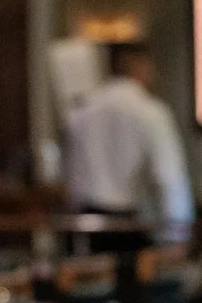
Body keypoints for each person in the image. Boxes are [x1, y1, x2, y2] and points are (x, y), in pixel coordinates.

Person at [64, 41, 194, 240]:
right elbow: (170, 176)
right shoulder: (149, 111)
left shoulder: (82, 110)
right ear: (140, 65)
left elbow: (72, 172)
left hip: (84, 223)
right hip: (127, 223)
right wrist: (179, 234)